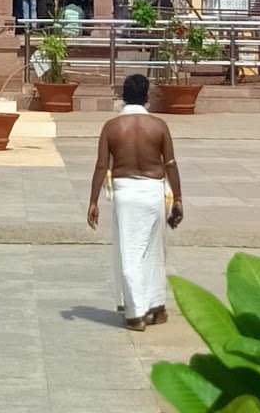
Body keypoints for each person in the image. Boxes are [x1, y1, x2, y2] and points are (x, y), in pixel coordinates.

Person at [87, 73, 182, 331]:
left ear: (123, 96)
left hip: (126, 193)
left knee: (130, 253)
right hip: (153, 192)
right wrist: (178, 198)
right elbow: (170, 164)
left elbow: (101, 166)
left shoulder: (111, 127)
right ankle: (157, 308)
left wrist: (93, 201)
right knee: (154, 250)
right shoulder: (159, 126)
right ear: (147, 96)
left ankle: (136, 315)